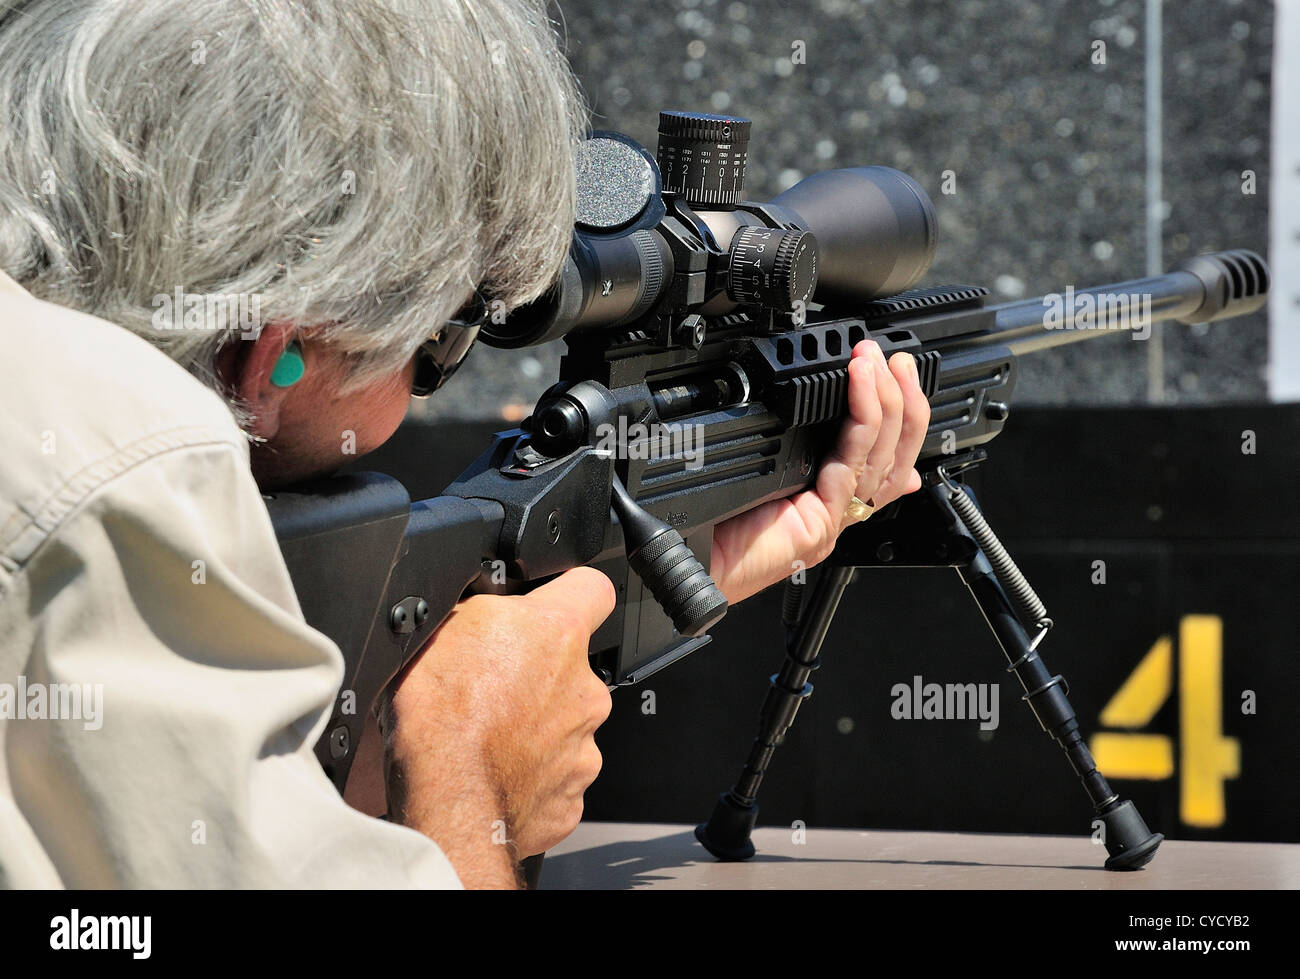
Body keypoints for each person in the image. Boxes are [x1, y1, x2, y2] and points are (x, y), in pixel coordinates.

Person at [0, 0, 929, 889]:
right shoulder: (118, 486)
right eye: (440, 347)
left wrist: (682, 567)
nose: (431, 373)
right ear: (270, 359)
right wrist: (469, 773)